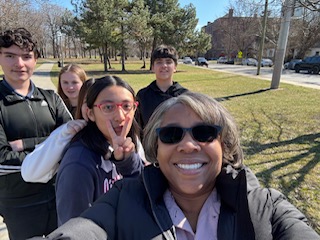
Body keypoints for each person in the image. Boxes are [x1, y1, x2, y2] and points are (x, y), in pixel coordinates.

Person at [30, 92, 320, 240]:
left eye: (205, 133)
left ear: (226, 146)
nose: (188, 145)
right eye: (171, 134)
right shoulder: (123, 199)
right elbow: (85, 229)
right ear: (157, 150)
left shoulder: (263, 206)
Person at [0, 28, 72, 240]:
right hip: (19, 203)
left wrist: (26, 144)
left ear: (36, 59)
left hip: (59, 195)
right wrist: (53, 145)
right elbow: (2, 159)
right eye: (10, 56)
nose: (19, 64)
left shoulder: (51, 98)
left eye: (26, 56)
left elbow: (72, 140)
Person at [55, 75, 144, 225]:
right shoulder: (78, 165)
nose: (120, 116)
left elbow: (144, 194)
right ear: (90, 114)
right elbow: (74, 229)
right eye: (108, 107)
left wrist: (128, 161)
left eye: (127, 106)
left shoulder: (124, 149)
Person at [135, 44, 188, 130]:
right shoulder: (143, 96)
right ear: (152, 67)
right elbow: (138, 127)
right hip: (149, 143)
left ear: (175, 67)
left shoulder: (186, 96)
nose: (164, 65)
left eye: (168, 62)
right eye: (159, 62)